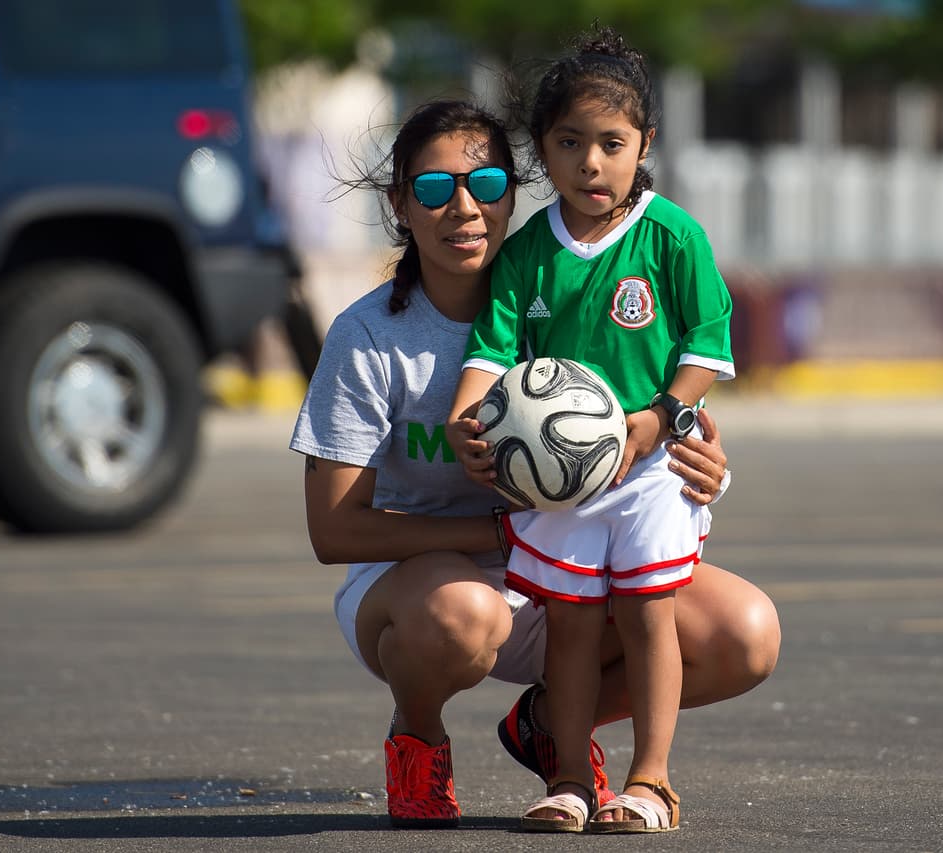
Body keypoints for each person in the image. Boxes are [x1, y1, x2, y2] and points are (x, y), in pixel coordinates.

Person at [289, 98, 779, 830]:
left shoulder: (555, 289)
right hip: (422, 589)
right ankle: (417, 735)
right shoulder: (367, 337)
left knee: (745, 633)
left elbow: (642, 413)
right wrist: (496, 531)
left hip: (558, 562)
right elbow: (333, 533)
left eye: (486, 185)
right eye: (432, 188)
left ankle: (552, 724)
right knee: (463, 615)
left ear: (514, 191)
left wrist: (704, 459)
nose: (464, 207)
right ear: (399, 204)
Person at [445, 27, 734, 833]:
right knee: (570, 625)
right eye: (570, 143)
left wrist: (659, 418)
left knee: (649, 616)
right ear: (543, 150)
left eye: (611, 143)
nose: (591, 163)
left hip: (652, 466)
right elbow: (493, 350)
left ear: (644, 143)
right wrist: (468, 417)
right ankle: (570, 777)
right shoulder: (529, 251)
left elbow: (707, 349)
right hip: (556, 478)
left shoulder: (672, 236)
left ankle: (651, 780)